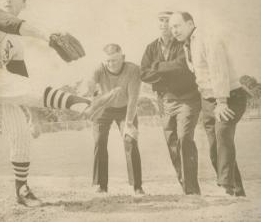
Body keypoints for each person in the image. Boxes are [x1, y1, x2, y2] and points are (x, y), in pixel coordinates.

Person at [0, 0, 120, 207]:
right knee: (14, 85)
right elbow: (10, 23)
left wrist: (33, 117)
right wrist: (49, 36)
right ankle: (82, 104)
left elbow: (23, 83)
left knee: (19, 129)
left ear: (24, 3)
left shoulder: (16, 45)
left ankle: (22, 190)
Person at [169, 12, 247, 196]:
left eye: (177, 26)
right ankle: (237, 190)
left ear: (190, 24)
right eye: (172, 27)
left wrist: (221, 101)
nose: (174, 31)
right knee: (214, 146)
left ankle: (226, 187)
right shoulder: (187, 44)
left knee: (223, 139)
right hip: (208, 100)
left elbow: (218, 70)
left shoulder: (207, 38)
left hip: (228, 98)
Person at [140, 11, 201, 195]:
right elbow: (143, 73)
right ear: (157, 25)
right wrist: (167, 73)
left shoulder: (184, 43)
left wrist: (157, 68)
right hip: (164, 101)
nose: (165, 25)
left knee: (184, 138)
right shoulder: (151, 48)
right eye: (161, 21)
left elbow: (182, 66)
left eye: (169, 22)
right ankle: (185, 185)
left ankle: (192, 190)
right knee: (172, 143)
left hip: (187, 98)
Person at [86, 43, 144, 195]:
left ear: (123, 57)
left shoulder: (133, 70)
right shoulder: (99, 68)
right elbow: (89, 84)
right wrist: (89, 88)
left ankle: (137, 186)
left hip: (125, 108)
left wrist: (129, 124)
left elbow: (133, 99)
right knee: (99, 141)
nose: (111, 64)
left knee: (130, 141)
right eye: (108, 61)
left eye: (115, 60)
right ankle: (101, 186)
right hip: (103, 108)